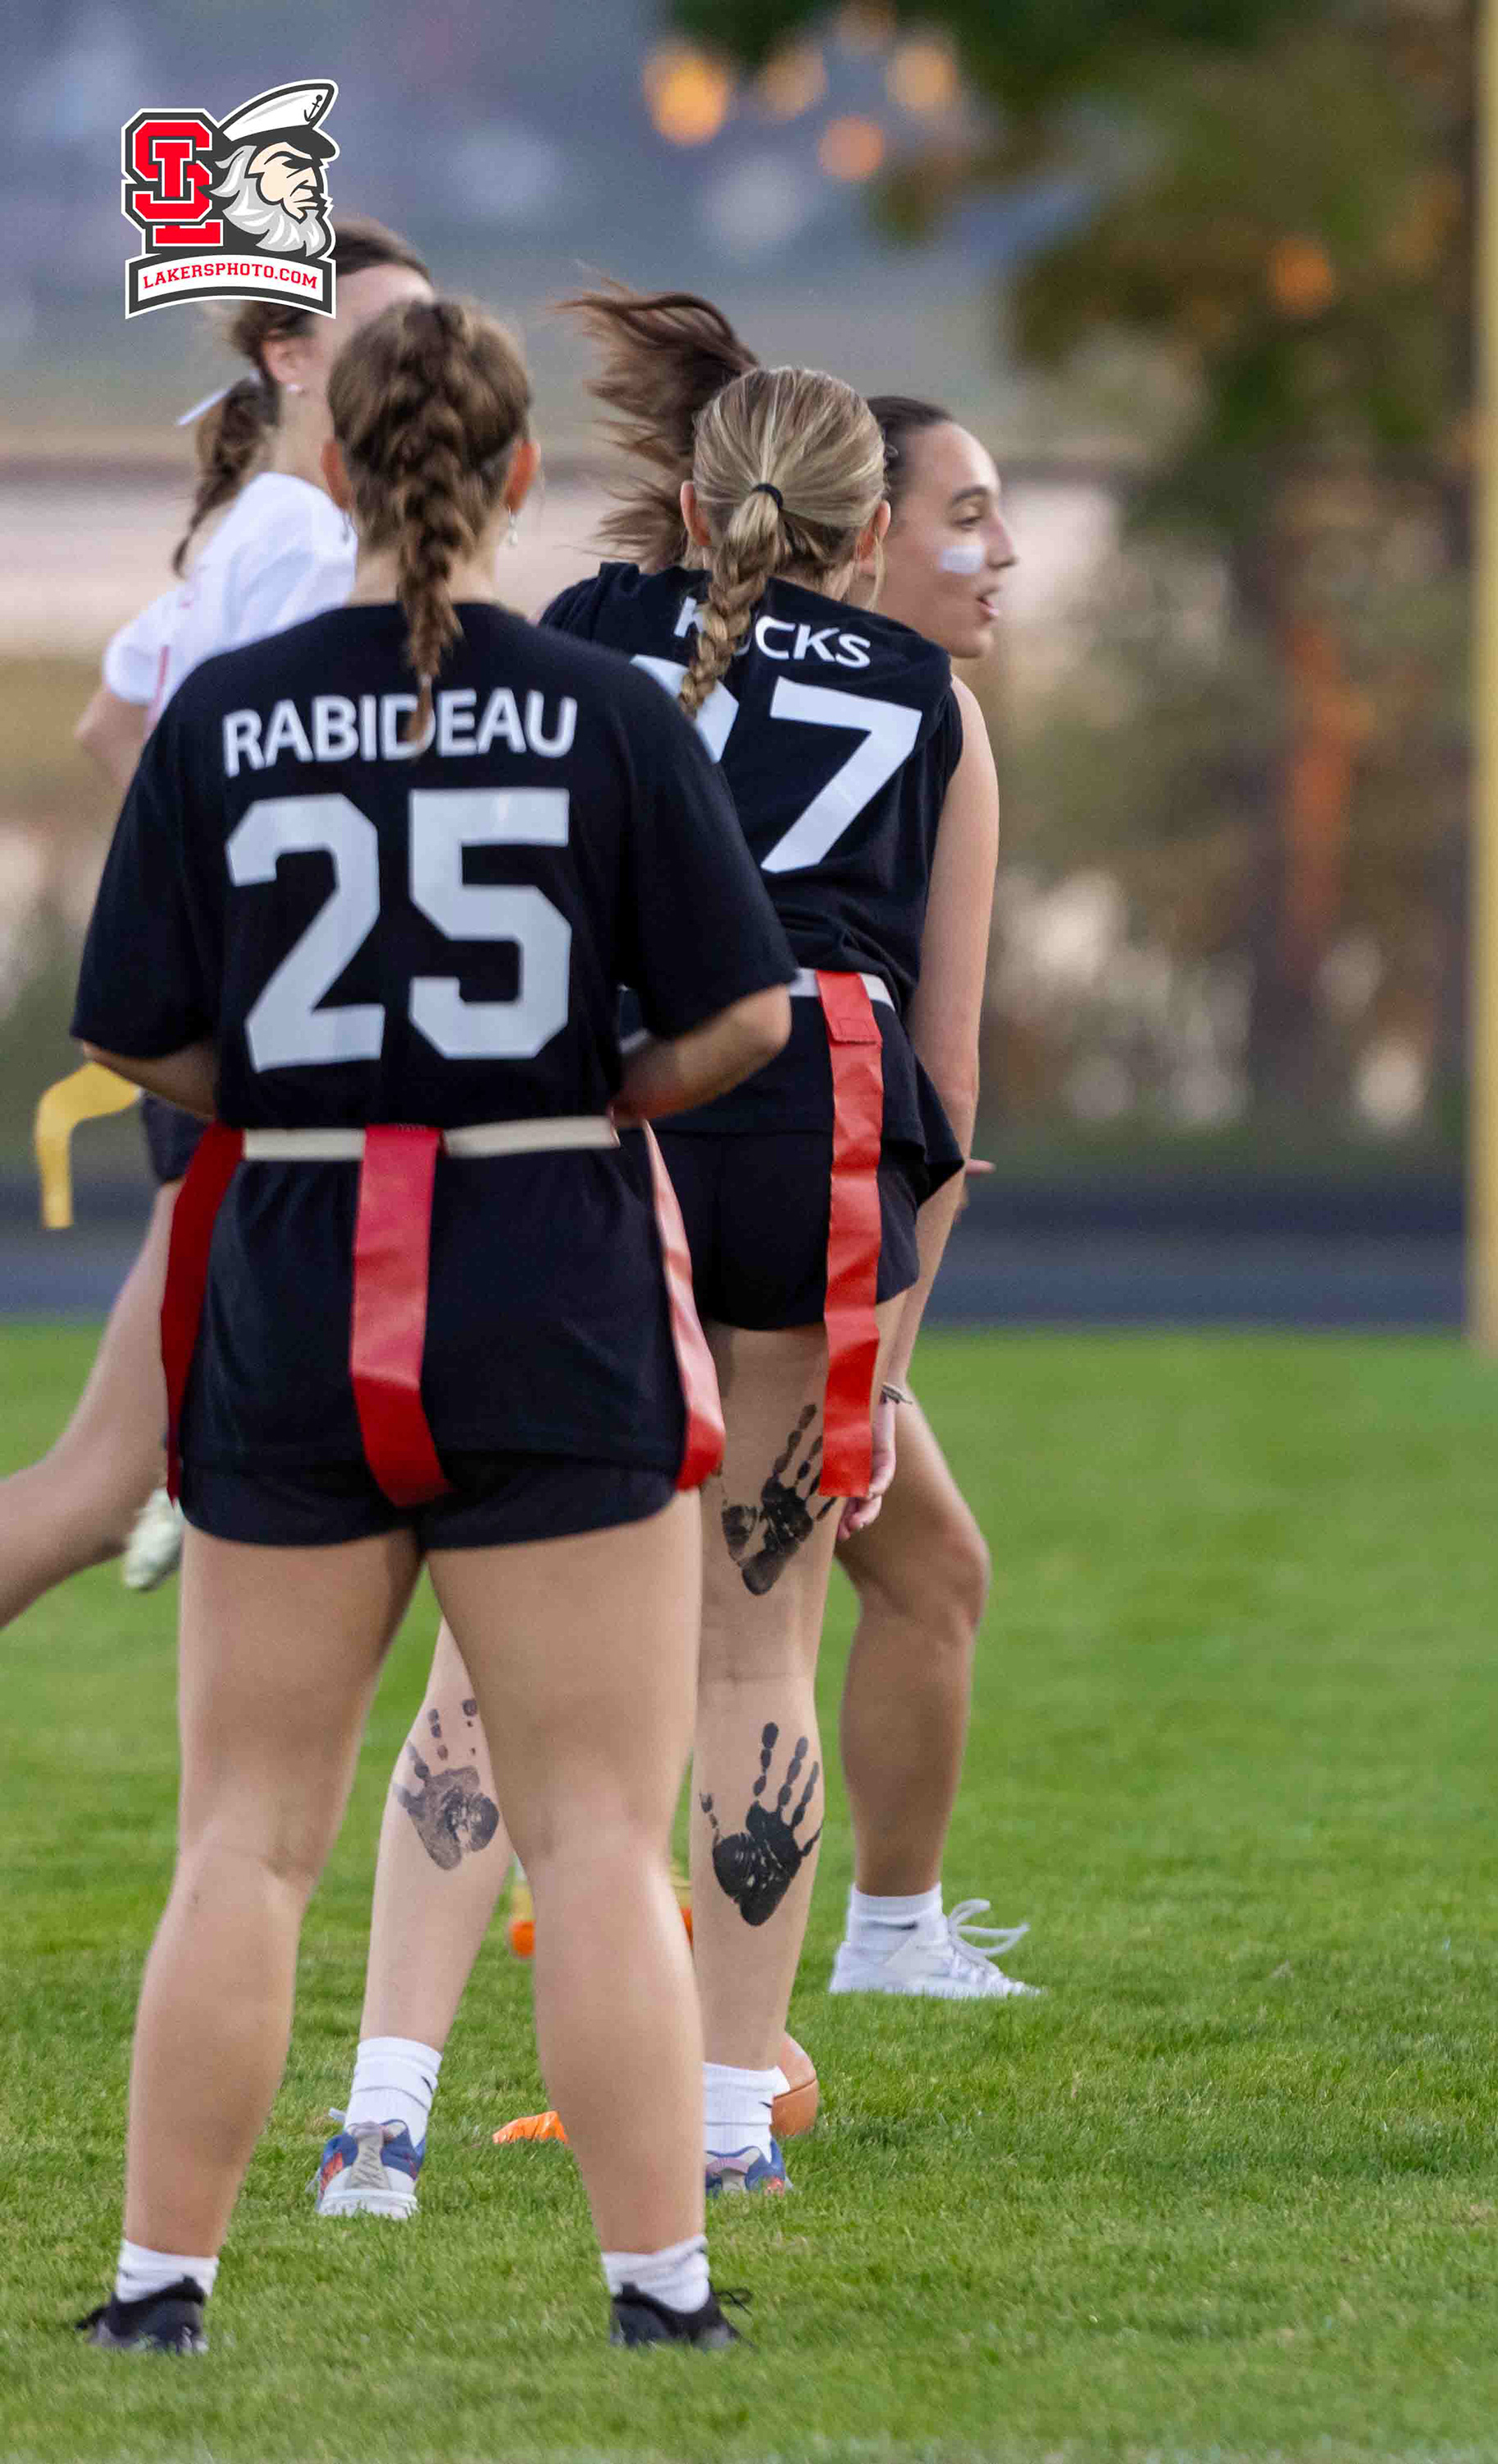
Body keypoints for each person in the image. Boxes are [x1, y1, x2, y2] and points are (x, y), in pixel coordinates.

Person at [68, 298, 795, 2356]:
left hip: (304, 1272)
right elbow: (747, 1016)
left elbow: (139, 1034)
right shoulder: (604, 710)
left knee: (246, 1839)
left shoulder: (225, 715)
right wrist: (599, 1098)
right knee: (597, 1829)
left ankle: (161, 2287)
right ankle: (660, 2293)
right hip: (545, 1264)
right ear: (519, 476)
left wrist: (309, 1105)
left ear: (334, 469)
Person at [316, 356, 1026, 2218]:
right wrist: (888, 1369)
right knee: (752, 1645)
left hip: (598, 1115)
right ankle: (723, 2119)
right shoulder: (935, 709)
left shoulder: (587, 631)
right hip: (813, 1126)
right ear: (872, 534)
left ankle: (381, 2117)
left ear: (697, 510)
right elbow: (948, 1086)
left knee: (492, 1631)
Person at [12, 222, 433, 1625]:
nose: (418, 360)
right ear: (289, 355)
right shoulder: (312, 540)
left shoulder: (259, 520)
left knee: (211, 1474)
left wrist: (200, 905)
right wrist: (259, 931)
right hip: (275, 1062)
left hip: (240, 1040)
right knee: (118, 1483)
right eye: (384, 331)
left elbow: (113, 721)